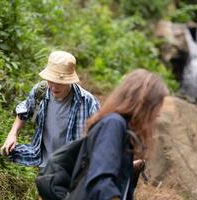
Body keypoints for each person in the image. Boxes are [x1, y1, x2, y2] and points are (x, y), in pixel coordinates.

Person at [67, 69, 169, 200]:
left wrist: (129, 169)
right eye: (157, 107)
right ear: (144, 104)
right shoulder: (114, 124)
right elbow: (101, 183)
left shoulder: (123, 130)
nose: (159, 113)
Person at [0, 50, 100, 167]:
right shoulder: (40, 91)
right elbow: (24, 111)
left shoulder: (87, 101)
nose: (54, 87)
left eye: (60, 83)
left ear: (70, 81)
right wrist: (12, 134)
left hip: (74, 166)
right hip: (45, 163)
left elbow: (100, 135)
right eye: (51, 81)